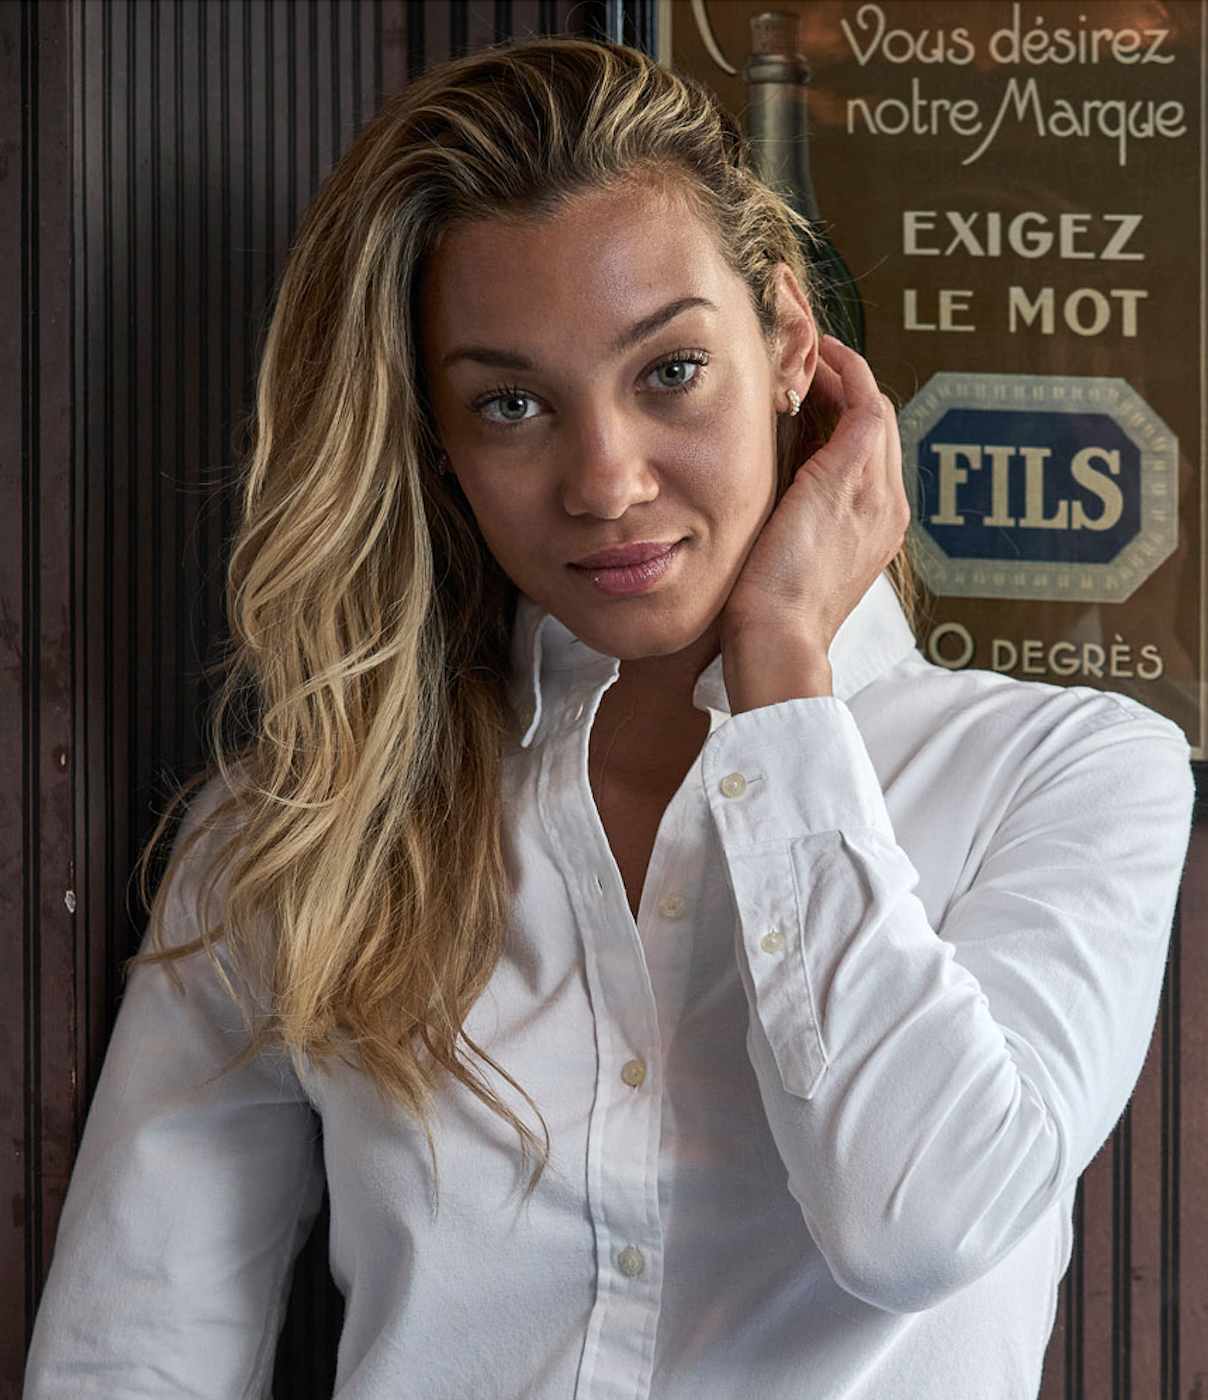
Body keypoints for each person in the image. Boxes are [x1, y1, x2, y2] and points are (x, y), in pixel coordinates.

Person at [24, 36, 1193, 1400]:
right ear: (439, 443)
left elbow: (922, 1225)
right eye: (512, 404)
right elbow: (131, 1352)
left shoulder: (1071, 776)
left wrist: (780, 663)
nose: (605, 481)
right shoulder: (300, 831)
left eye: (669, 371)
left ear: (789, 341)